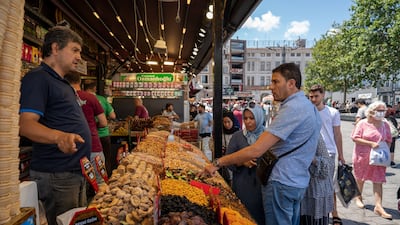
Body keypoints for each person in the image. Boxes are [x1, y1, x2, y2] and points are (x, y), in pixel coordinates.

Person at [204, 63, 322, 225]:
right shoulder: (310, 107)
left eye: (275, 82)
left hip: (281, 182)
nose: (271, 86)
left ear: (291, 83)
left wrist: (218, 162)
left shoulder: (293, 108)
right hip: (297, 181)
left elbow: (256, 150)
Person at [19, 26, 91, 225]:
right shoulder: (38, 78)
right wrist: (59, 137)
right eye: (75, 50)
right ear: (56, 48)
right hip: (56, 175)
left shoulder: (63, 83)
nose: (79, 57)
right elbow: (25, 124)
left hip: (73, 173)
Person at [308, 84, 344, 225]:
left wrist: (341, 154)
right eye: (311, 96)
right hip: (311, 153)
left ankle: (334, 213)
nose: (313, 99)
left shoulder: (333, 112)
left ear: (323, 95)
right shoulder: (307, 111)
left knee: (328, 185)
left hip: (328, 152)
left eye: (316, 96)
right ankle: (315, 213)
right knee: (313, 186)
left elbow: (337, 134)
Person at [64, 73, 108, 189]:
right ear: (80, 82)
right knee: (100, 185)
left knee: (77, 187)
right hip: (93, 145)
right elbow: (103, 122)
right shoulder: (91, 98)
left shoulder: (63, 98)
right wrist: (92, 125)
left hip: (72, 149)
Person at [351, 100, 392, 220]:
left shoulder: (385, 124)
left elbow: (389, 139)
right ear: (372, 111)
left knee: (378, 180)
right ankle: (358, 196)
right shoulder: (363, 123)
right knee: (360, 178)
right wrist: (370, 143)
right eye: (379, 111)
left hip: (378, 158)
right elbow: (355, 137)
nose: (381, 113)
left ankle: (378, 206)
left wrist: (385, 153)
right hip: (362, 155)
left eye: (383, 111)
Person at [226, 105, 266, 225]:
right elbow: (229, 160)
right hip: (243, 185)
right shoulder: (238, 137)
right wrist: (241, 162)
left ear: (259, 118)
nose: (248, 122)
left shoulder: (268, 137)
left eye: (252, 118)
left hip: (263, 186)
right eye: (246, 118)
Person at [84, 82, 117, 176]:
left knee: (88, 162)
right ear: (94, 88)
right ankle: (107, 180)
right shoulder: (102, 99)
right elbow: (113, 116)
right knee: (105, 159)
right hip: (104, 135)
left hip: (89, 136)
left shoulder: (80, 98)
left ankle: (92, 185)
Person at [300, 136, 334, 225]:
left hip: (315, 192)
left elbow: (326, 166)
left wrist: (311, 159)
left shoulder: (314, 133)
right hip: (301, 191)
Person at [220, 110, 240, 184]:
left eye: (229, 122)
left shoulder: (238, 133)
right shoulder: (220, 133)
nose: (226, 124)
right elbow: (212, 143)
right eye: (224, 122)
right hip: (223, 161)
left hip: (235, 162)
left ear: (233, 121)